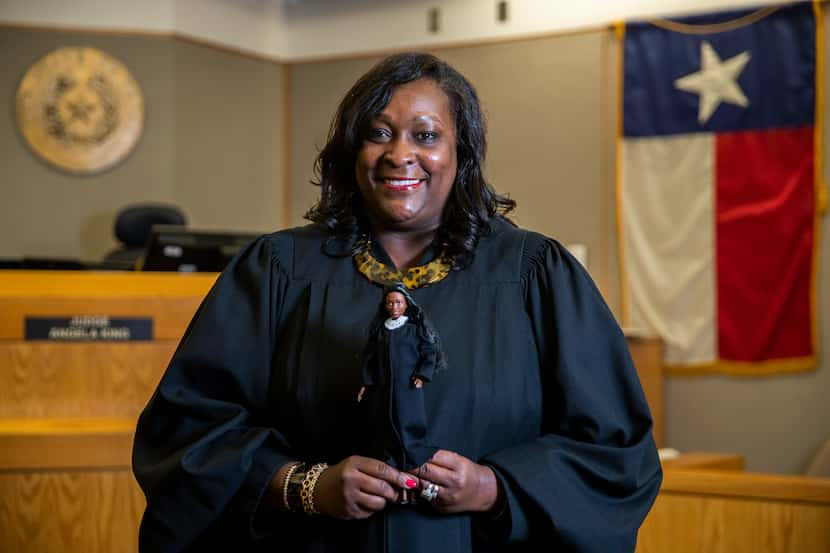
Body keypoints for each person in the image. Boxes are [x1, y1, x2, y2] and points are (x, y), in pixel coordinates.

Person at [133, 52, 662, 553]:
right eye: (378, 133)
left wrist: (492, 487)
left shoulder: (533, 273)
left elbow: (614, 453)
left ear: (462, 153)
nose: (399, 154)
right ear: (352, 150)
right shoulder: (277, 270)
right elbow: (186, 434)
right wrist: (307, 486)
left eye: (426, 135)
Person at [357, 284, 446, 502]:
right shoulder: (380, 332)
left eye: (398, 302)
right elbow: (369, 360)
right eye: (390, 302)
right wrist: (365, 384)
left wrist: (422, 375)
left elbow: (428, 353)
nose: (394, 306)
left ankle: (420, 484)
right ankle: (400, 488)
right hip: (384, 391)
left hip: (408, 390)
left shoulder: (414, 330)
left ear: (406, 304)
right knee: (386, 429)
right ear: (384, 305)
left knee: (408, 427)